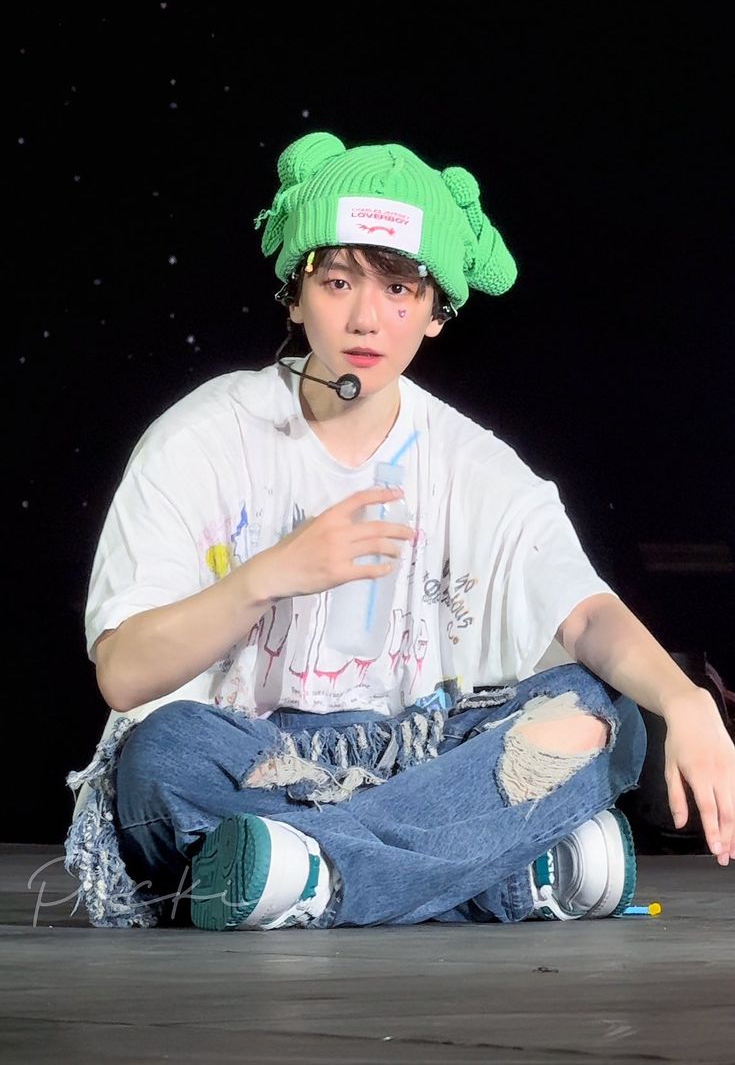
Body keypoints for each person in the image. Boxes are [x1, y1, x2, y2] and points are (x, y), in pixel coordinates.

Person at [64, 131, 734, 932]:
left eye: (399, 291)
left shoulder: (467, 459)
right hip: (257, 761)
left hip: (421, 752)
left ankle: (303, 875)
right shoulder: (201, 437)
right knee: (159, 759)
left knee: (601, 714)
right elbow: (123, 673)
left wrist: (687, 701)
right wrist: (266, 575)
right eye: (339, 280)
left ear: (436, 313)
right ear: (294, 291)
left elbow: (584, 612)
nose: (364, 317)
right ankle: (504, 874)